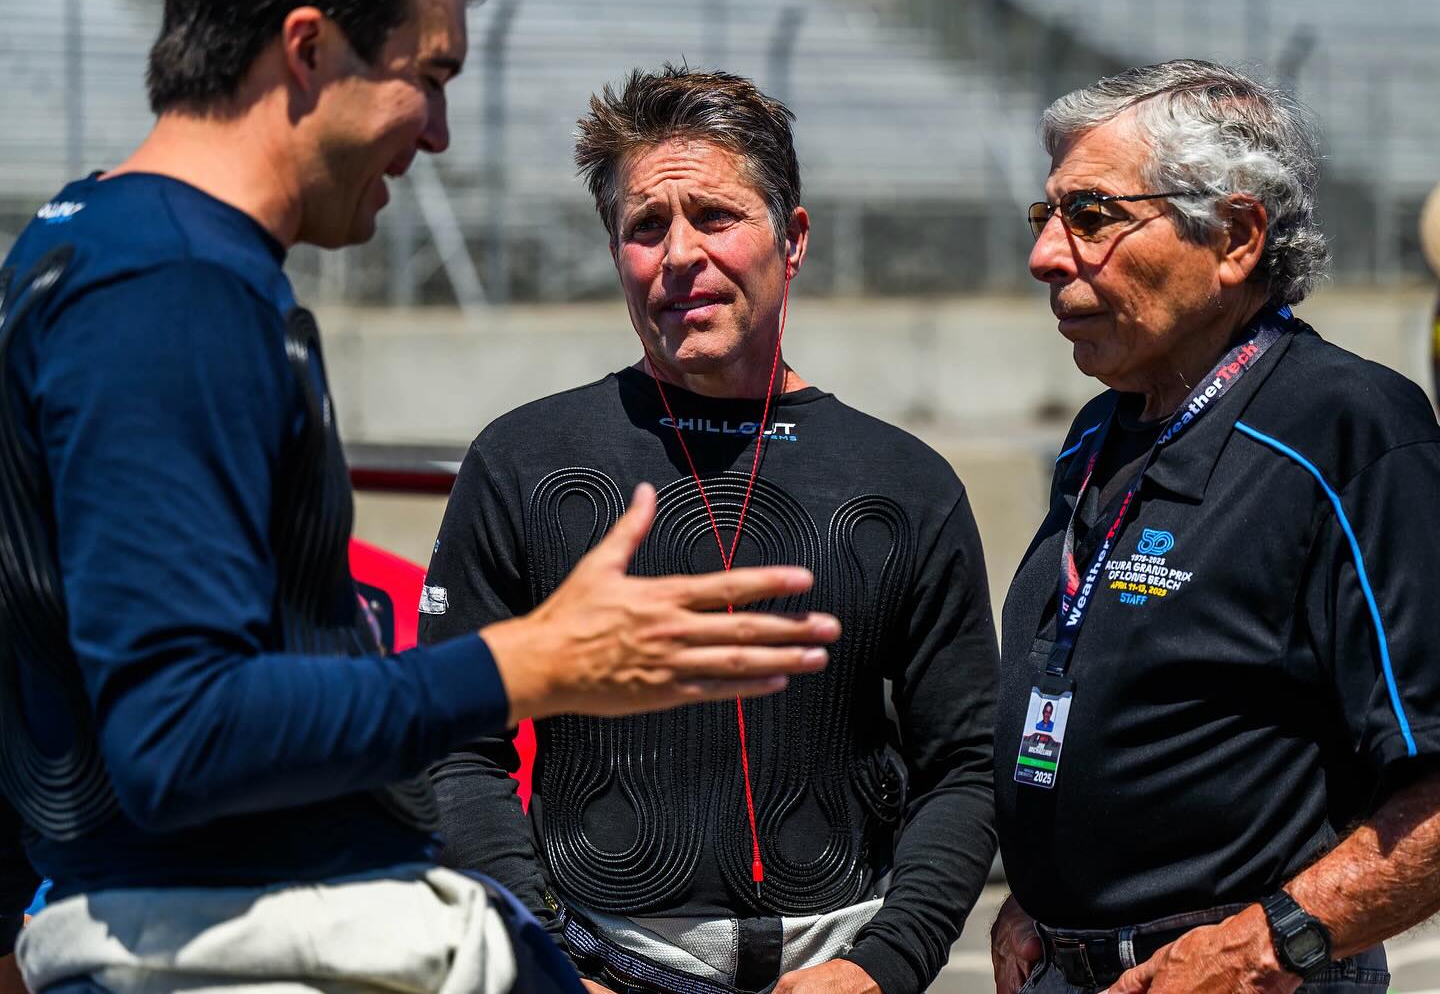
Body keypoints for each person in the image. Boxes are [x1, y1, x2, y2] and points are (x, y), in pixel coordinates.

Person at [0, 0, 840, 991]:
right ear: (308, 50)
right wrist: (526, 665)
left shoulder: (91, 239)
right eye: (427, 74)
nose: (439, 130)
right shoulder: (168, 287)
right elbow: (179, 731)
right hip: (238, 941)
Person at [419, 66, 999, 994]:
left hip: (837, 963)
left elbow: (965, 763)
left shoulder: (905, 482)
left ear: (793, 237)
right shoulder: (524, 460)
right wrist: (549, 963)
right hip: (594, 961)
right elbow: (456, 744)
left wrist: (881, 966)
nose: (680, 253)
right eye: (646, 226)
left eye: (716, 216)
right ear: (616, 252)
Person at [990, 59, 1440, 994]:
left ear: (1234, 235)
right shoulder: (1097, 431)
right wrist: (1044, 888)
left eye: (1093, 215)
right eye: (1047, 215)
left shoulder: (1350, 428)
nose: (1045, 254)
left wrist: (1270, 943)